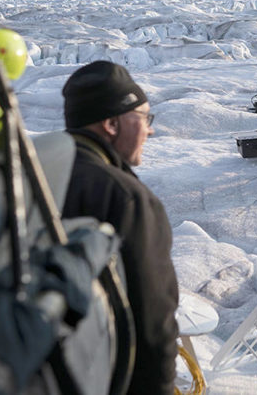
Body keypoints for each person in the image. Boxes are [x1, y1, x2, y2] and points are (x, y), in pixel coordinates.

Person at [60, 60, 179, 395]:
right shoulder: (125, 197)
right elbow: (152, 319)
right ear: (112, 123)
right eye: (143, 119)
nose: (150, 131)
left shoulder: (39, 175)